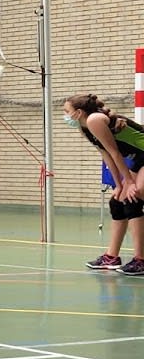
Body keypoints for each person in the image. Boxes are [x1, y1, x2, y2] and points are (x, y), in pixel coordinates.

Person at [64, 93, 144, 275]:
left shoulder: (94, 120)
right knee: (117, 202)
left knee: (133, 198)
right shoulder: (84, 127)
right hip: (139, 157)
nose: (65, 116)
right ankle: (111, 257)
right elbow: (107, 157)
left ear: (78, 112)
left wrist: (129, 183)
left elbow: (116, 153)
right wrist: (119, 185)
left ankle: (140, 260)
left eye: (67, 112)